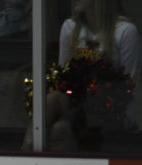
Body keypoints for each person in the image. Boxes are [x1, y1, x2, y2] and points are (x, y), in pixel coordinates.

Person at [21, 0, 140, 151]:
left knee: (57, 113)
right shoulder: (70, 27)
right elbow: (63, 76)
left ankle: (23, 152)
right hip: (75, 103)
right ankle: (29, 158)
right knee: (59, 126)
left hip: (113, 109)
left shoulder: (125, 31)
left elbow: (129, 84)